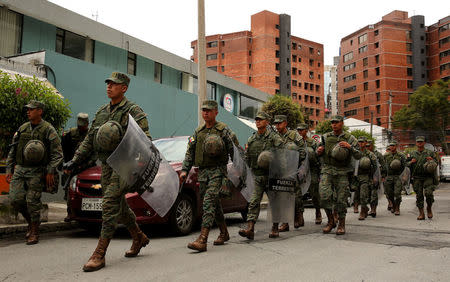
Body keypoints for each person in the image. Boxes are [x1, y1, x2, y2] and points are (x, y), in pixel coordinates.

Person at [64, 72, 151, 272]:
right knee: (119, 205)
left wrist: (137, 164)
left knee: (110, 203)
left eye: (114, 84)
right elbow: (90, 139)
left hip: (125, 166)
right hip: (106, 165)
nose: (109, 87)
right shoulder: (102, 112)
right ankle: (138, 236)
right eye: (108, 84)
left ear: (124, 88)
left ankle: (99, 254)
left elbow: (145, 139)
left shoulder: (133, 111)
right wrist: (75, 159)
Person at [179, 100, 235, 252]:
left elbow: (234, 149)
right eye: (203, 110)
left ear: (216, 112)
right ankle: (224, 233)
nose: (205, 113)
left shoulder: (223, 130)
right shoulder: (198, 132)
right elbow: (190, 152)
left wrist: (238, 169)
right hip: (203, 173)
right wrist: (184, 170)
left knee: (209, 202)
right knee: (214, 204)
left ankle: (202, 239)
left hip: (218, 171)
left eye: (209, 110)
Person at [6, 100, 63, 245]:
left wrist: (50, 170)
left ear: (40, 111)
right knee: (15, 199)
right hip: (20, 169)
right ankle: (31, 223)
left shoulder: (48, 129)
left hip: (37, 172)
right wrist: (9, 168)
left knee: (32, 202)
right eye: (28, 109)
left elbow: (58, 154)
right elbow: (13, 149)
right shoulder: (22, 128)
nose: (28, 111)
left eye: (31, 109)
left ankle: (35, 232)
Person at [238, 111, 284, 239]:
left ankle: (275, 227)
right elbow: (247, 157)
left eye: (261, 119)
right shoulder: (252, 139)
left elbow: (282, 155)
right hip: (257, 176)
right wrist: (245, 173)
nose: (258, 121)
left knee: (274, 202)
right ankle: (250, 228)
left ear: (267, 122)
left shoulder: (274, 138)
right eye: (256, 120)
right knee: (253, 202)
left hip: (272, 176)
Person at [316, 115, 361, 235]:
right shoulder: (325, 137)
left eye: (336, 122)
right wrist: (319, 151)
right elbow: (318, 150)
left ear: (342, 123)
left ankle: (341, 223)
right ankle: (331, 221)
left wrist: (350, 147)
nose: (334, 124)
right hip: (327, 170)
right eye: (332, 123)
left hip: (342, 171)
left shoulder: (350, 138)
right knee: (324, 195)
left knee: (341, 199)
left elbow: (358, 155)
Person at [273, 115, 306, 231]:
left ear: (285, 123)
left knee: (295, 195)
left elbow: (302, 150)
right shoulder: (274, 136)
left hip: (292, 169)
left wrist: (296, 164)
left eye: (279, 123)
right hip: (279, 170)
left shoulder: (294, 135)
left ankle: (299, 214)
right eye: (276, 123)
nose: (277, 126)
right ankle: (285, 222)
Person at [61, 113, 95, 222]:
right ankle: (70, 212)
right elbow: (64, 151)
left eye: (83, 126)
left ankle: (89, 211)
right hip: (72, 166)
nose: (81, 128)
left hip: (88, 167)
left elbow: (95, 154)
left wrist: (85, 165)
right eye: (80, 125)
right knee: (69, 189)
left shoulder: (92, 135)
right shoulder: (70, 134)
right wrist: (66, 166)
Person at [407, 136, 439, 220]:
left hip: (428, 177)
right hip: (417, 177)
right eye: (418, 142)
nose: (419, 143)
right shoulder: (412, 153)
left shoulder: (430, 153)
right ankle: (421, 213)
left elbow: (436, 163)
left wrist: (431, 160)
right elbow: (405, 164)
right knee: (419, 196)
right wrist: (411, 162)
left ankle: (429, 208)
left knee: (428, 193)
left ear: (424, 143)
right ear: (416, 143)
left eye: (421, 142)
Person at [297, 123, 322, 224]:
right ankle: (300, 216)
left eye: (301, 130)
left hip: (312, 170)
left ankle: (318, 211)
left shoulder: (312, 142)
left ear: (306, 130)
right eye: (298, 130)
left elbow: (319, 156)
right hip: (299, 171)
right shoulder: (296, 142)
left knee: (314, 193)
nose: (299, 132)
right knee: (299, 194)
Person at [355, 137, 378, 220]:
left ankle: (362, 212)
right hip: (356, 177)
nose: (360, 143)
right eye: (359, 142)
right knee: (356, 195)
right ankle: (365, 209)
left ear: (365, 143)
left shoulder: (370, 154)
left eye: (362, 142)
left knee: (363, 195)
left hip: (365, 176)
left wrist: (374, 177)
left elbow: (375, 167)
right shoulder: (355, 153)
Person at [383, 140, 407, 216]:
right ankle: (393, 204)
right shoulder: (386, 156)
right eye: (391, 146)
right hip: (388, 176)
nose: (392, 147)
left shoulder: (401, 155)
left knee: (397, 193)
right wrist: (383, 176)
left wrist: (402, 175)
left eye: (393, 146)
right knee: (389, 193)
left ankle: (397, 208)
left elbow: (404, 166)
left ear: (396, 146)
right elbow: (383, 166)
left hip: (397, 176)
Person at [366, 140, 386, 217]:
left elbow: (383, 166)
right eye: (366, 146)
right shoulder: (362, 153)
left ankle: (373, 210)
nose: (367, 147)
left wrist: (383, 176)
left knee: (374, 193)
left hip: (375, 176)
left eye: (369, 146)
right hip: (365, 176)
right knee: (365, 194)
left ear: (372, 146)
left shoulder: (378, 154)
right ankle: (366, 209)